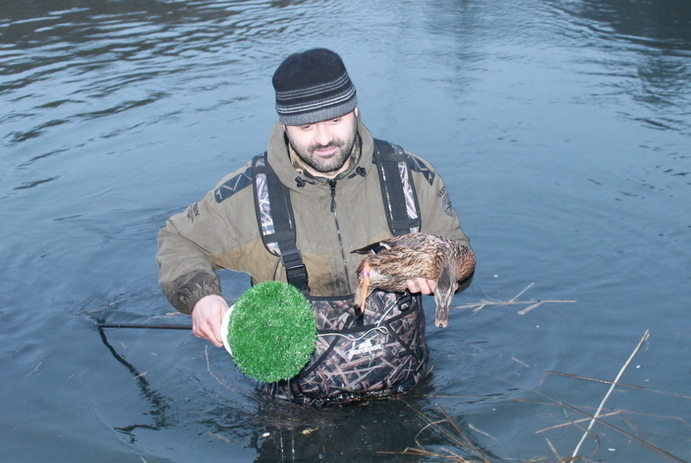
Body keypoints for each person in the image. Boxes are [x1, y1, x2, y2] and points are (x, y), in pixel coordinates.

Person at [157, 48, 473, 404]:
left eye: (336, 120)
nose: (323, 138)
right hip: (296, 410)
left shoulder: (412, 178)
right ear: (284, 126)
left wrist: (445, 277)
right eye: (306, 126)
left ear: (355, 111)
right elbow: (179, 239)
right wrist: (202, 297)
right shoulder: (244, 194)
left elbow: (456, 250)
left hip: (409, 394)